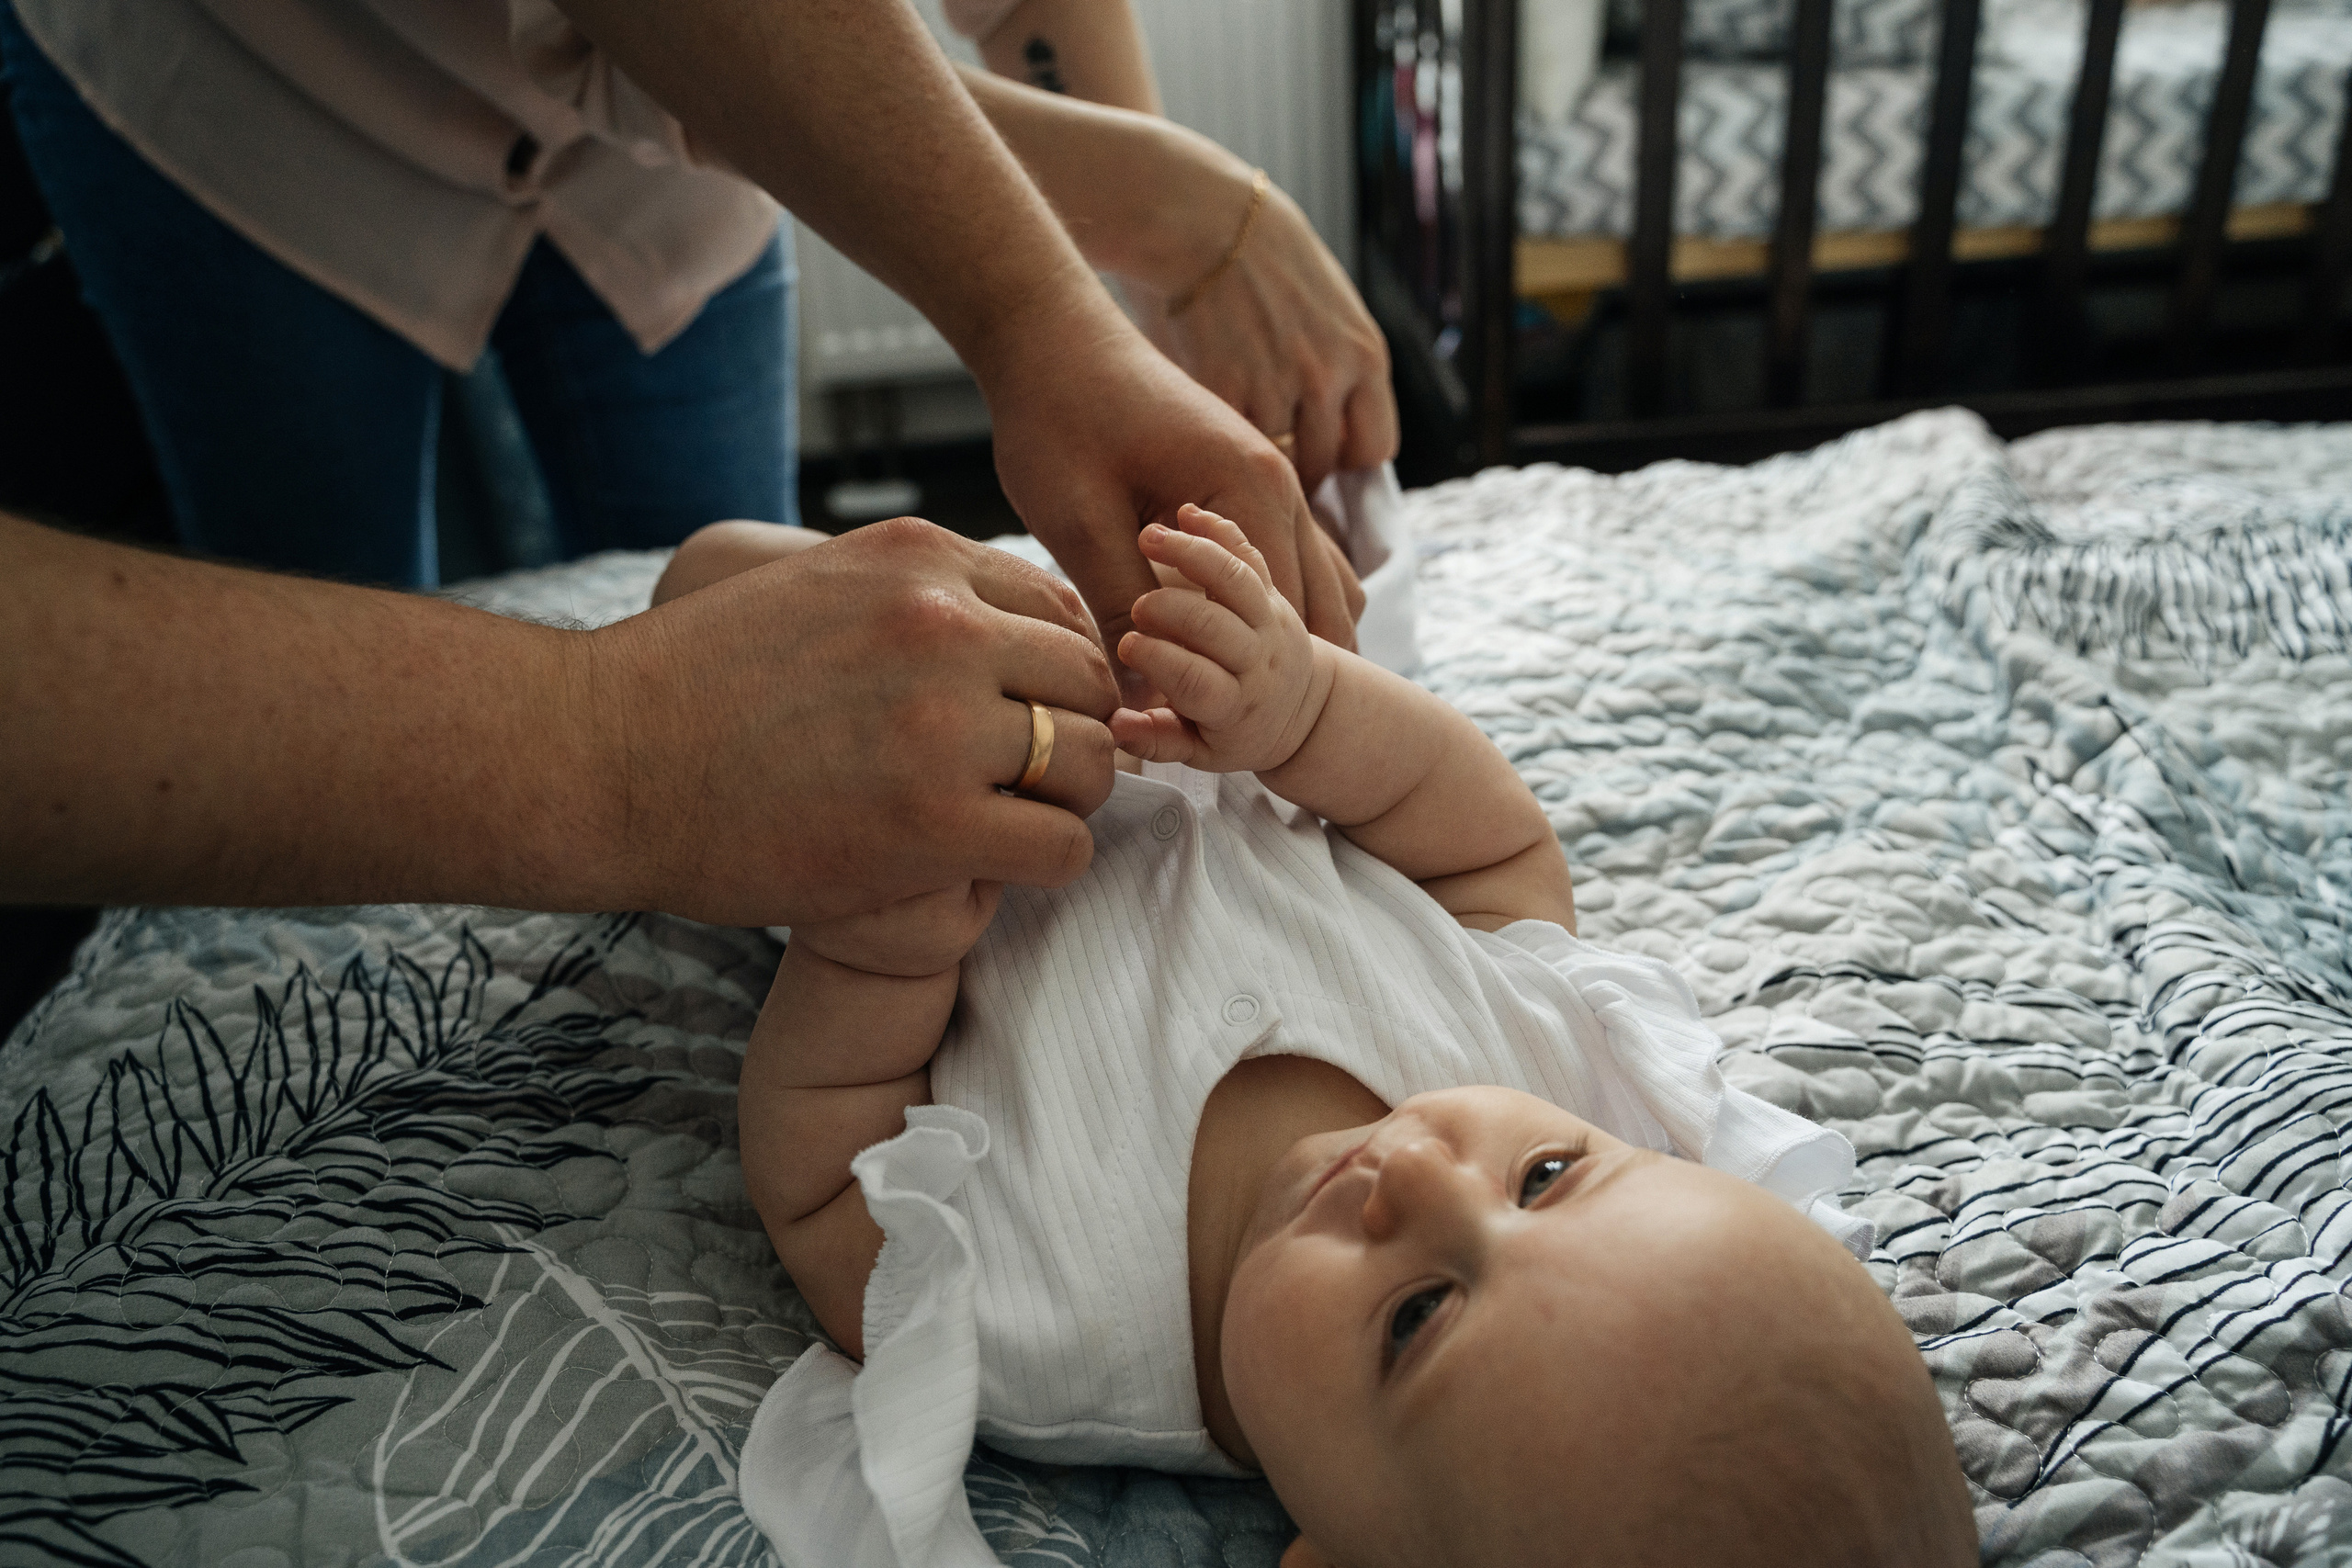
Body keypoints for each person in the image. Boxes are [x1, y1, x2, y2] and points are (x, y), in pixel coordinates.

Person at [672, 513, 1977, 1565]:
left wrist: (879, 946)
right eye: (1549, 1175)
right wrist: (1305, 712)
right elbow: (1490, 837)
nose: (1419, 1171)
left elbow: (822, 1173)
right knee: (1243, 530)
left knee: (713, 586)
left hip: (932, 770)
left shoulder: (1037, 1337)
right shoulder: (1556, 1062)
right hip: (1211, 700)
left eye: (1415, 1316)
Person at [0, 0, 1392, 635]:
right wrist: (1122, 245)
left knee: (745, 592)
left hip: (683, 137)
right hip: (259, 82)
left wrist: (1126, 301)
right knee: (321, 620)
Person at [0, 507, 1121, 925]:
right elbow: (714, 582)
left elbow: (828, 1189)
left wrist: (888, 962)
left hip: (883, 839)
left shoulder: (1067, 1329)